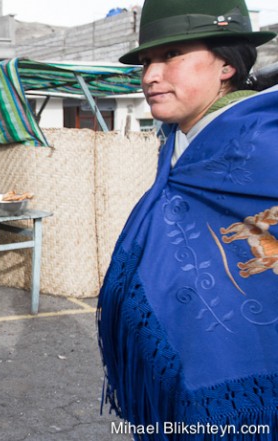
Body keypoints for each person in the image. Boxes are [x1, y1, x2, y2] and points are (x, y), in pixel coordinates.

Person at [97, 0, 278, 439]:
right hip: (177, 383)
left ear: (226, 64)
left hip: (246, 392)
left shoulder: (262, 144)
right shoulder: (180, 142)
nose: (149, 76)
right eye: (145, 62)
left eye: (171, 56)